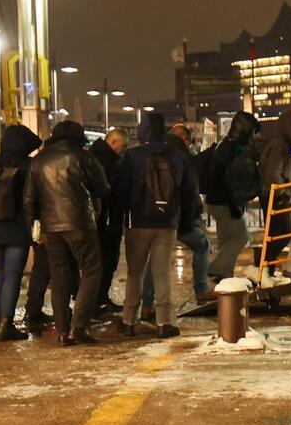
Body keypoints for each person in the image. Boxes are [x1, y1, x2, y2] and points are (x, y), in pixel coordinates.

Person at [23, 119, 109, 346]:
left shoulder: (38, 161)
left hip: (51, 227)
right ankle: (78, 327)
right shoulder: (84, 157)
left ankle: (62, 330)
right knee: (91, 271)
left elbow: (29, 199)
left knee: (59, 275)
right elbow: (103, 188)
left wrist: (34, 229)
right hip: (80, 223)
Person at [114, 110, 197, 338]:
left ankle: (129, 320)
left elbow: (120, 190)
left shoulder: (133, 156)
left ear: (143, 131)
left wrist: (117, 219)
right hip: (167, 224)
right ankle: (165, 322)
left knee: (135, 273)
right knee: (161, 273)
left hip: (137, 223)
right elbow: (189, 191)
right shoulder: (177, 155)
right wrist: (185, 221)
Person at [0, 124, 42, 342]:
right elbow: (33, 196)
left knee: (1, 273)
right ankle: (7, 325)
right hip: (16, 226)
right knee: (13, 275)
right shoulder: (27, 165)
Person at [141, 121, 211, 309]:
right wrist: (191, 217)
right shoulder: (182, 156)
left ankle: (147, 303)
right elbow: (189, 191)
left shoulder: (152, 153)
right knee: (202, 245)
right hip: (178, 216)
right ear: (184, 139)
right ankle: (202, 290)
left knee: (156, 257)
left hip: (152, 215)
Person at [202, 110, 261, 276]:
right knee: (240, 237)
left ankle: (225, 277)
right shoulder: (231, 147)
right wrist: (233, 205)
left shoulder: (226, 144)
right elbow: (223, 178)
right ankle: (216, 269)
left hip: (217, 201)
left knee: (227, 240)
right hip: (224, 203)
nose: (253, 137)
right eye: (252, 132)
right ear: (244, 130)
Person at [256, 109, 291, 277]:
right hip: (276, 196)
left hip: (271, 194)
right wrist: (282, 194)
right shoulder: (279, 145)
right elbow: (273, 172)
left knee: (274, 235)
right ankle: (262, 266)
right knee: (282, 234)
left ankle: (265, 270)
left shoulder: (277, 142)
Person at [87, 126, 128, 316]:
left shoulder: (91, 156)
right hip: (107, 220)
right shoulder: (109, 162)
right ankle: (99, 301)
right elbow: (113, 194)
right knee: (107, 261)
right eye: (122, 145)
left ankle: (97, 300)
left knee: (97, 262)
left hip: (94, 220)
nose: (123, 149)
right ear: (113, 142)